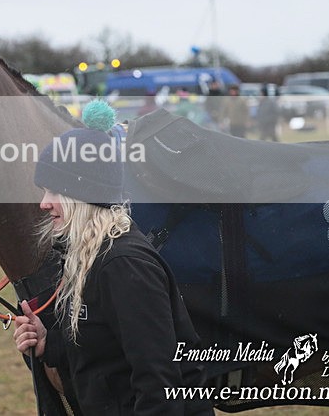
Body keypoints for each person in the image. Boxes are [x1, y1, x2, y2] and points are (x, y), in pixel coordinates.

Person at [13, 107, 213, 415]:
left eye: (53, 190)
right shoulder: (89, 256)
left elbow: (159, 381)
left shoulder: (124, 265)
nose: (43, 203)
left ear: (82, 193)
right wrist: (48, 343)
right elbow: (103, 352)